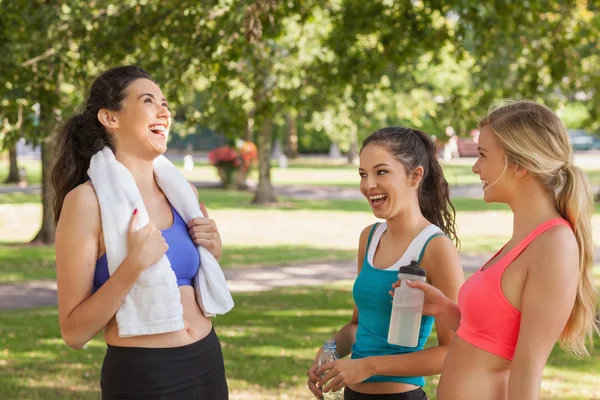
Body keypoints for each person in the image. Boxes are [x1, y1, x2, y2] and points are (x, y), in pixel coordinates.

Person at [400, 100, 599, 399]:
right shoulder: (524, 238)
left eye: (483, 155)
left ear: (519, 164)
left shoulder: (554, 245)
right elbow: (494, 339)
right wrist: (446, 309)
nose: (475, 166)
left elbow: (527, 368)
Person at [52, 66, 229, 399]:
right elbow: (74, 332)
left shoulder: (183, 194)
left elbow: (195, 279)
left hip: (206, 361)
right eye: (149, 101)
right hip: (144, 375)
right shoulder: (87, 203)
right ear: (110, 118)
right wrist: (133, 265)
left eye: (165, 104)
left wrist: (213, 252)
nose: (164, 111)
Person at [307, 127, 464, 400]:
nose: (368, 185)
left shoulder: (436, 248)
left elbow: (453, 350)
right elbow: (357, 326)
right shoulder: (370, 237)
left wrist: (368, 367)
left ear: (415, 176)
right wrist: (328, 351)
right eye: (363, 174)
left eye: (381, 172)